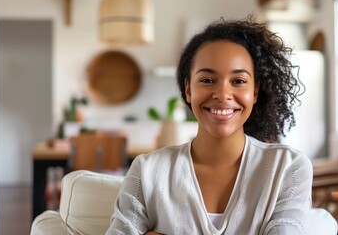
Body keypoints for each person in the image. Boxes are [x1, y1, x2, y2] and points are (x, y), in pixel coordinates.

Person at [106, 16, 311, 235]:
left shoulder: (288, 167)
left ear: (255, 92)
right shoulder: (147, 170)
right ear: (188, 90)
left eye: (238, 81)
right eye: (207, 80)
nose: (222, 94)